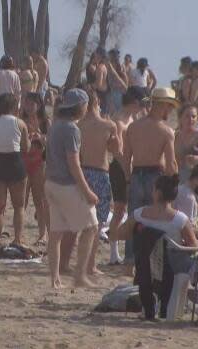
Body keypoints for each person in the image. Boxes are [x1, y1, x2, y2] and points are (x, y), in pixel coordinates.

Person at [113, 175, 198, 321]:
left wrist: (117, 218)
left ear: (157, 193)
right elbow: (194, 247)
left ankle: (149, 304)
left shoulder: (139, 215)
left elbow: (120, 235)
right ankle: (168, 306)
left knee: (148, 256)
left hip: (144, 268)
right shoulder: (180, 220)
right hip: (170, 270)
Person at [44, 88, 98, 289]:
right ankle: (79, 275)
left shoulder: (55, 125)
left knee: (56, 234)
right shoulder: (71, 129)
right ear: (80, 107)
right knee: (91, 227)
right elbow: (73, 164)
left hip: (51, 182)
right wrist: (87, 192)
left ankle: (55, 278)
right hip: (66, 185)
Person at [122, 87, 179, 262]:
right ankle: (149, 257)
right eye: (169, 107)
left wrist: (128, 179)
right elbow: (171, 163)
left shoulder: (133, 127)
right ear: (163, 106)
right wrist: (173, 182)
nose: (170, 111)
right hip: (156, 176)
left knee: (135, 217)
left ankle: (131, 257)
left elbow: (126, 157)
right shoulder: (166, 131)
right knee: (155, 218)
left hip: (136, 173)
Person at [78, 88, 119, 274]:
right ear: (97, 103)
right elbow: (116, 150)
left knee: (83, 222)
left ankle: (80, 262)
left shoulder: (78, 126)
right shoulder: (109, 125)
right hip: (101, 173)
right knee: (98, 223)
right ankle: (90, 264)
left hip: (83, 172)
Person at [0, 93, 30, 247]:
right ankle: (17, 239)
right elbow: (26, 147)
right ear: (14, 106)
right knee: (19, 206)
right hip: (15, 162)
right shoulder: (20, 123)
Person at [107, 86, 148, 265]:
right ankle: (113, 252)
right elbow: (119, 152)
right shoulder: (118, 121)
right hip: (120, 168)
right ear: (134, 102)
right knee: (119, 209)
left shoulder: (134, 117)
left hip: (133, 166)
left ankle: (124, 251)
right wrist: (127, 174)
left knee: (130, 210)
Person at [21, 92, 51, 245]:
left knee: (40, 201)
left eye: (31, 104)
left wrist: (40, 137)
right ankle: (19, 235)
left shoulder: (45, 122)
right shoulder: (20, 121)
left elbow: (51, 145)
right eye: (26, 103)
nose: (28, 107)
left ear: (38, 105)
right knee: (21, 201)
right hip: (24, 161)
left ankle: (42, 235)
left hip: (40, 162)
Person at [106, 49, 129, 116]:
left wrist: (125, 87)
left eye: (110, 55)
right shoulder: (111, 65)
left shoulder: (119, 66)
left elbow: (125, 77)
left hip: (117, 91)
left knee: (115, 112)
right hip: (113, 90)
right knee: (114, 112)